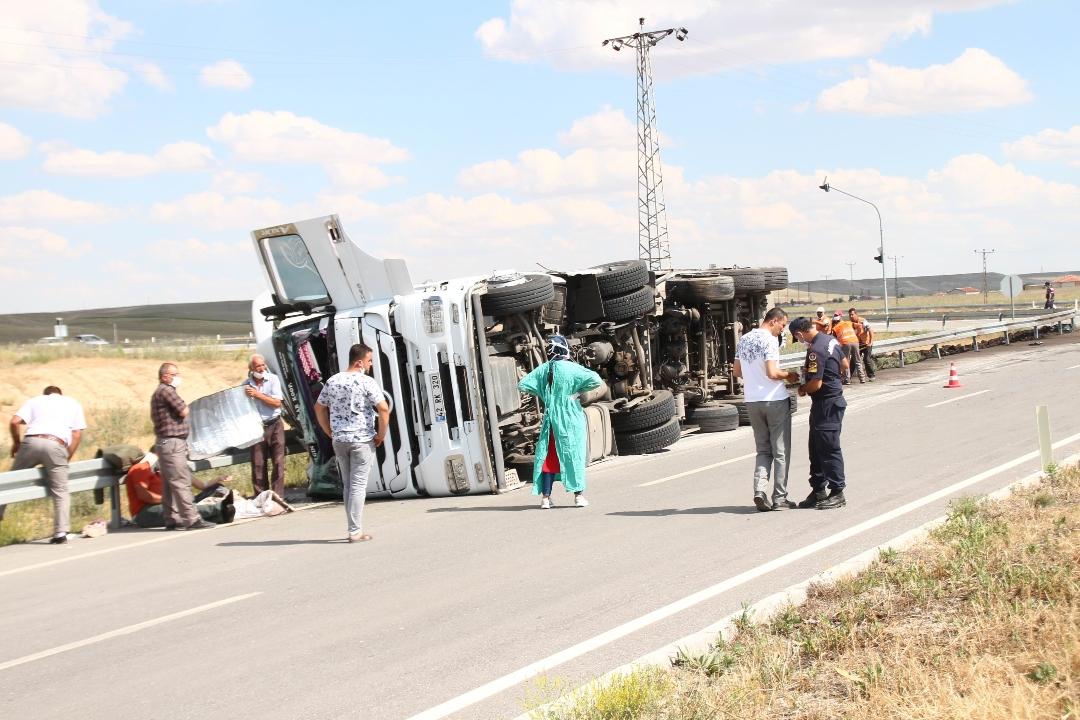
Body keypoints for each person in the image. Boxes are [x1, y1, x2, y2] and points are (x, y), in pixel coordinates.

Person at [315, 344, 390, 543]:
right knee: (358, 485)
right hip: (362, 440)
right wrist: (381, 434)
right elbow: (383, 409)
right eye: (369, 360)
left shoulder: (332, 381)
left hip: (339, 440)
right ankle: (355, 531)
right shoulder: (366, 382)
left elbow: (319, 408)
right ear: (359, 362)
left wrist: (329, 432)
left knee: (348, 485)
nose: (370, 364)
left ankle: (352, 528)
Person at [519, 335, 602, 509]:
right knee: (574, 456)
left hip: (551, 421)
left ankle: (546, 499)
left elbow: (523, 384)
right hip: (571, 418)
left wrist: (543, 394)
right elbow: (596, 380)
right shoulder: (573, 368)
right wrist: (577, 394)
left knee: (548, 460)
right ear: (565, 349)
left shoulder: (544, 370)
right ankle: (578, 496)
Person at [733, 308, 800, 512]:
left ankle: (759, 490)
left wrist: (755, 380)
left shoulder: (743, 339)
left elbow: (736, 371)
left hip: (752, 402)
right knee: (780, 451)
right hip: (774, 400)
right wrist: (790, 375)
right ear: (774, 321)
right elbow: (772, 372)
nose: (783, 329)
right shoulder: (769, 340)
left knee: (763, 450)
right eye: (783, 324)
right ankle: (779, 497)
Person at [4, 386, 87, 543]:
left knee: (9, 483)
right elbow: (76, 434)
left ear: (46, 394)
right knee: (60, 490)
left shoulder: (35, 400)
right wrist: (66, 457)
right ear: (60, 394)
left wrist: (16, 443)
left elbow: (14, 422)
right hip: (56, 444)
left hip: (32, 442)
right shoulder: (73, 403)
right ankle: (60, 533)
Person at [789, 317, 849, 510]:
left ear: (799, 334)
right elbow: (845, 364)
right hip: (827, 403)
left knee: (829, 448)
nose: (799, 340)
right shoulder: (829, 339)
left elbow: (816, 384)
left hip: (827, 404)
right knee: (815, 448)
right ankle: (818, 491)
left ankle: (837, 492)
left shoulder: (816, 350)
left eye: (796, 338)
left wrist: (803, 388)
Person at [151, 362, 215, 530]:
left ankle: (172, 518)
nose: (178, 377)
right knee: (181, 481)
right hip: (172, 443)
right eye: (174, 374)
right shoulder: (166, 391)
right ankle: (192, 519)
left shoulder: (160, 392)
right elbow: (183, 410)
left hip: (165, 443)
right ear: (165, 376)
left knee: (169, 483)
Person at [125, 451, 235, 528]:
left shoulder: (169, 468)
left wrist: (218, 479)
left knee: (215, 489)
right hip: (145, 512)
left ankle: (222, 515)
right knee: (179, 508)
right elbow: (144, 496)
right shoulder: (140, 469)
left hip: (172, 503)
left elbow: (202, 485)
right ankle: (219, 508)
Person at [243, 354, 286, 497]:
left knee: (278, 462)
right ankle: (261, 497)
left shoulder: (273, 379)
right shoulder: (246, 385)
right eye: (258, 366)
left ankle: (277, 497)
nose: (261, 369)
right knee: (258, 464)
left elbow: (277, 402)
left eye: (263, 365)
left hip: (274, 423)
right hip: (256, 427)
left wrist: (257, 395)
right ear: (251, 369)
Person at [830, 312, 866, 384]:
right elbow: (860, 326)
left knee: (846, 361)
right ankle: (862, 378)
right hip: (855, 341)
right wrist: (857, 333)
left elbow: (834, 339)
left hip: (845, 343)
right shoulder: (849, 323)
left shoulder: (835, 328)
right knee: (858, 361)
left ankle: (847, 379)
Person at [849, 308, 876, 382]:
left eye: (852, 314)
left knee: (866, 359)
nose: (851, 316)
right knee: (853, 360)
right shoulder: (850, 324)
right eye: (850, 315)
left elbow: (871, 331)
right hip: (858, 345)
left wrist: (871, 342)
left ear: (856, 314)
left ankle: (871, 376)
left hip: (866, 344)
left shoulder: (862, 321)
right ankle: (848, 377)